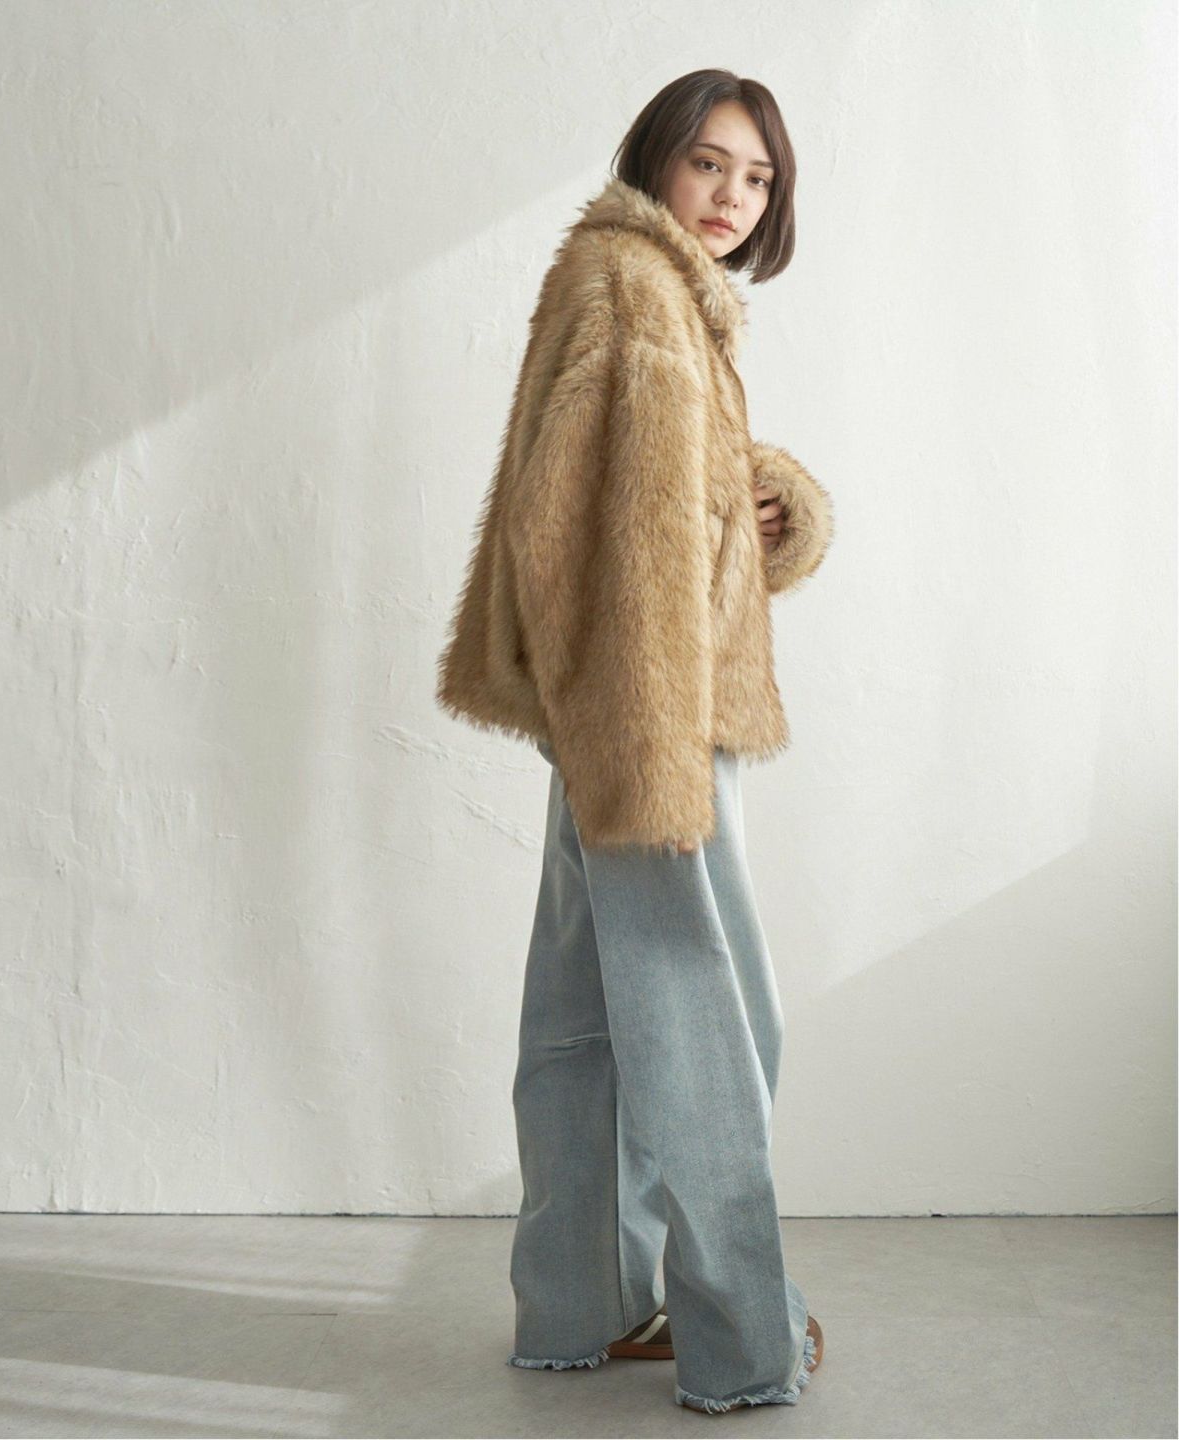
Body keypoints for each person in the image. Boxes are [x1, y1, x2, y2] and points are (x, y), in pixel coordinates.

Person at [435, 68, 835, 1415]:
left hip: (616, 705)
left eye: (758, 177)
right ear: (658, 157)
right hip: (648, 713)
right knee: (708, 1024)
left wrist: (763, 501)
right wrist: (638, 727)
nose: (733, 196)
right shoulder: (633, 285)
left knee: (585, 1017)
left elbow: (643, 498)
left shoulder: (647, 284)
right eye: (710, 163)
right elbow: (573, 524)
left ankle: (579, 1309)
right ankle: (742, 1339)